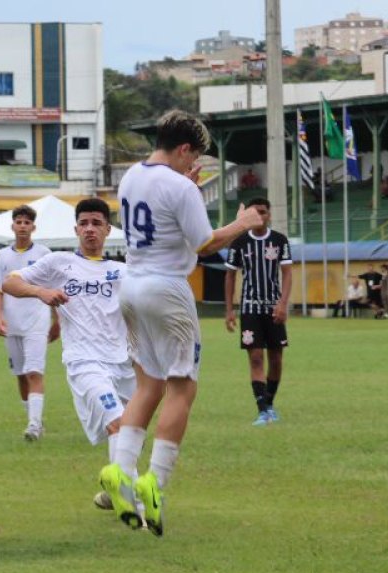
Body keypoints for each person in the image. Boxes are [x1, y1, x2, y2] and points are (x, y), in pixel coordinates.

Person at [98, 110, 265, 537]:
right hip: (167, 289)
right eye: (194, 159)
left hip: (131, 286)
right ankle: (155, 482)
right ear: (185, 148)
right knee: (182, 386)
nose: (193, 168)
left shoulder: (132, 176)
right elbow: (205, 243)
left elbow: (161, 216)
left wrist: (184, 187)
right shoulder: (178, 185)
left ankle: (121, 470)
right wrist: (243, 223)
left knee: (148, 385)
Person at [3, 198, 140, 515]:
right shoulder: (58, 263)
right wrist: (41, 292)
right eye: (84, 223)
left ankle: (113, 489)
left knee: (128, 431)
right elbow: (11, 282)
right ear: (76, 228)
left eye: (96, 223)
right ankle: (132, 505)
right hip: (84, 363)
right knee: (117, 422)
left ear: (108, 229)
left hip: (123, 364)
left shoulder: (122, 271)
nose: (90, 229)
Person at [224, 197, 293, 426]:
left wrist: (283, 304)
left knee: (276, 358)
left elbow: (287, 274)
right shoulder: (239, 242)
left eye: (263, 212)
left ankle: (270, 403)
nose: (260, 217)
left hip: (273, 307)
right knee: (255, 357)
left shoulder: (279, 241)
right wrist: (229, 310)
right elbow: (230, 275)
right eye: (255, 212)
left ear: (269, 214)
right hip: (250, 307)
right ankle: (262, 410)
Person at [0, 205, 58, 441]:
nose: (22, 226)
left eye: (26, 222)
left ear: (33, 227)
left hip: (37, 323)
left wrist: (57, 320)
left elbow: (51, 288)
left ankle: (33, 424)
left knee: (34, 372)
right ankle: (34, 420)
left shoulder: (44, 253)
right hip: (12, 324)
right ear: (12, 226)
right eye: (18, 222)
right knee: (20, 374)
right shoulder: (2, 256)